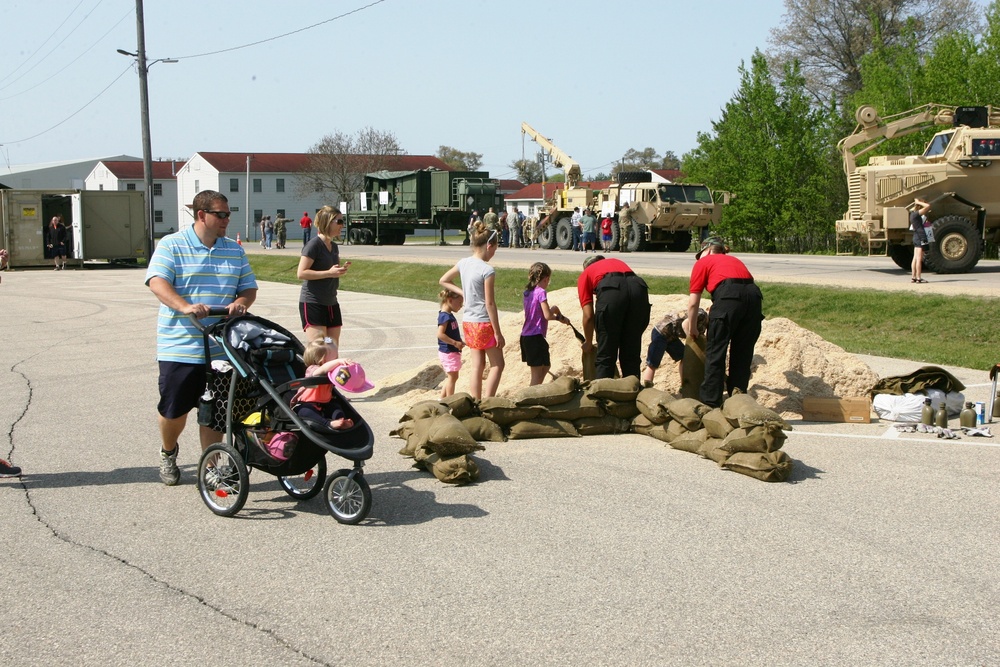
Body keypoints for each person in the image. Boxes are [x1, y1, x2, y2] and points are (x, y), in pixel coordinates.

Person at [145, 190, 258, 486]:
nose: (226, 219)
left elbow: (248, 287)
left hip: (221, 349)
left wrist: (241, 303)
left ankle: (211, 464)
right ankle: (168, 452)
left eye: (228, 214)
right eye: (220, 214)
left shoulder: (233, 250)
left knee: (216, 413)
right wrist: (185, 306)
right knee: (174, 412)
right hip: (180, 347)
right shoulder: (172, 245)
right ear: (201, 215)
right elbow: (157, 282)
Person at [683, 235, 763, 408]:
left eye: (700, 253)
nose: (698, 258)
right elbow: (744, 289)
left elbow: (693, 302)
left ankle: (710, 405)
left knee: (716, 353)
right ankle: (738, 402)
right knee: (742, 354)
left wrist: (693, 327)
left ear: (709, 250)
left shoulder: (703, 263)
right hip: (754, 298)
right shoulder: (734, 260)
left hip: (728, 296)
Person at [439, 222, 505, 399]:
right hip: (484, 322)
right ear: (489, 246)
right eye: (494, 249)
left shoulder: (463, 263)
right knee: (498, 364)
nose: (493, 254)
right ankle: (489, 400)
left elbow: (443, 280)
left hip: (469, 323)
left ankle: (476, 401)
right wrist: (498, 332)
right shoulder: (487, 270)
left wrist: (463, 293)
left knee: (477, 366)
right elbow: (490, 304)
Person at [577, 255, 651, 379]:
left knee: (606, 355)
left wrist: (588, 342)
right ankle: (633, 391)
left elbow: (588, 315)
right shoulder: (616, 262)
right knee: (631, 355)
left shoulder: (586, 274)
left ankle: (603, 395)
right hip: (639, 288)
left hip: (612, 292)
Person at [297, 206, 349, 346]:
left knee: (331, 345)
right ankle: (314, 369)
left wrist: (339, 270)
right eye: (339, 222)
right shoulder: (314, 245)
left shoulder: (333, 246)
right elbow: (301, 273)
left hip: (331, 303)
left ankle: (330, 368)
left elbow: (331, 270)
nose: (342, 225)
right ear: (328, 222)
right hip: (313, 303)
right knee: (319, 347)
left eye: (342, 221)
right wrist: (329, 273)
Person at [521, 262, 569, 386]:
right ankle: (531, 396)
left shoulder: (527, 293)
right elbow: (547, 315)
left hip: (526, 336)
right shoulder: (541, 292)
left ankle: (535, 391)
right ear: (546, 278)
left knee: (546, 366)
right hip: (535, 336)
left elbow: (539, 312)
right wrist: (558, 318)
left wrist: (557, 312)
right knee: (536, 375)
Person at [291, 340, 357, 431]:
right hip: (307, 404)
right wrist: (339, 361)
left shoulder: (332, 372)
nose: (337, 360)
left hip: (326, 404)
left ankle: (340, 420)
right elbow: (322, 370)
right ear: (323, 360)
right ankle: (328, 424)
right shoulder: (313, 369)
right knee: (304, 411)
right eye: (335, 358)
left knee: (336, 407)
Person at [640, 309, 708, 387]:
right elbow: (685, 324)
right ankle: (647, 384)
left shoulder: (705, 323)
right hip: (661, 332)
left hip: (672, 335)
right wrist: (690, 341)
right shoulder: (702, 315)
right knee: (653, 362)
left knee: (684, 356)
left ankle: (684, 385)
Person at [437, 289, 465, 398]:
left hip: (452, 351)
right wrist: (454, 343)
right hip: (448, 351)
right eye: (459, 303)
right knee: (452, 377)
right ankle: (450, 400)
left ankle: (442, 399)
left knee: (451, 377)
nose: (461, 306)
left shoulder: (449, 315)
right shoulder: (445, 316)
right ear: (450, 300)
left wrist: (459, 341)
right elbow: (440, 334)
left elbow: (451, 333)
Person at [910, 198, 931, 284]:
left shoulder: (912, 214)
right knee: (919, 259)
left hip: (916, 236)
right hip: (920, 237)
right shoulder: (916, 214)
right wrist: (919, 202)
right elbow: (928, 206)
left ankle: (913, 277)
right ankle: (919, 277)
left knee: (915, 258)